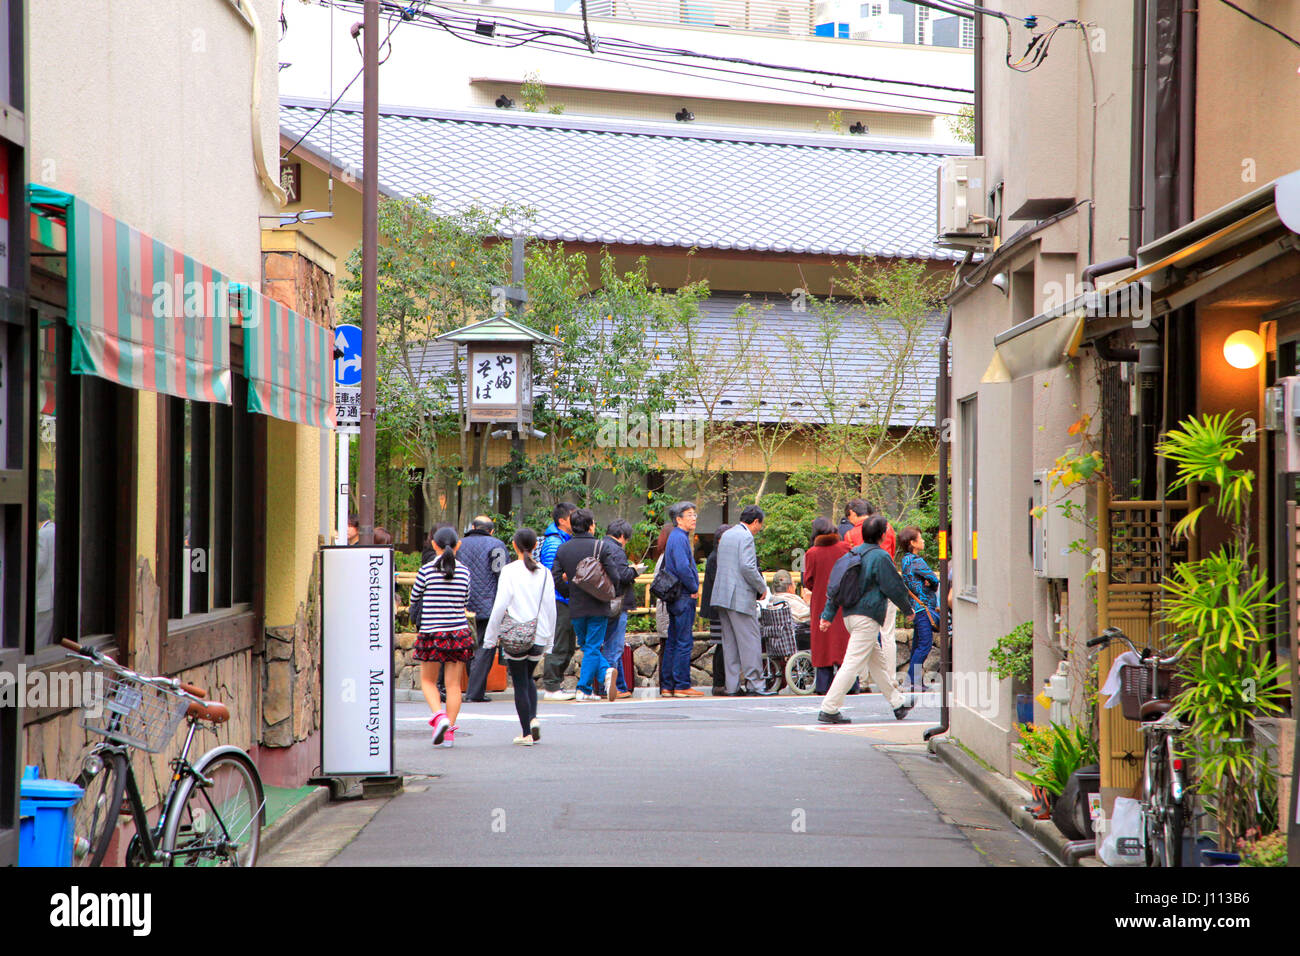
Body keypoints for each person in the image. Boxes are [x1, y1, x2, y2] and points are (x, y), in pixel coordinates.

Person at [817, 515, 914, 723]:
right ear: (882, 536)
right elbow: (894, 587)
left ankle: (897, 703)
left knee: (876, 661)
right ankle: (829, 708)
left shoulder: (851, 554)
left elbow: (835, 588)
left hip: (849, 616)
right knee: (852, 663)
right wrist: (908, 609)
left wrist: (827, 615)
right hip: (867, 617)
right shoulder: (880, 557)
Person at [482, 527, 556, 746]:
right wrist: (550, 640)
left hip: (515, 635)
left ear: (514, 545)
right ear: (535, 545)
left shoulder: (510, 570)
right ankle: (533, 719)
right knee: (528, 677)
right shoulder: (545, 572)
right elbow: (551, 608)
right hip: (539, 634)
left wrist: (490, 637)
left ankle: (526, 733)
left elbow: (500, 606)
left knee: (521, 683)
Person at [409, 526, 474, 746]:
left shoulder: (426, 570)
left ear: (434, 544)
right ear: (458, 545)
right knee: (453, 685)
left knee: (428, 681)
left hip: (431, 633)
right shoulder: (464, 571)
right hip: (457, 633)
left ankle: (439, 716)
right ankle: (449, 733)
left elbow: (414, 598)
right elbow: (466, 601)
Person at [553, 508, 624, 701]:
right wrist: (609, 591)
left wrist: (570, 593)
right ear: (591, 525)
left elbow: (556, 578)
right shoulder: (601, 547)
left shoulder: (563, 548)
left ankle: (605, 674)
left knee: (587, 646)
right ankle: (583, 689)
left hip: (575, 606)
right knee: (592, 646)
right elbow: (615, 576)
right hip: (598, 605)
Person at [711, 504, 774, 697]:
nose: (759, 530)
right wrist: (762, 587)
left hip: (722, 595)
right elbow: (747, 567)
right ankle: (755, 684)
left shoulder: (728, 534)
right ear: (755, 522)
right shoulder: (746, 536)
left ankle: (732, 686)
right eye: (759, 525)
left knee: (729, 642)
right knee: (750, 641)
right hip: (739, 596)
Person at [459, 516, 510, 703]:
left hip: (462, 604)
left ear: (472, 527)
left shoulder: (459, 544)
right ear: (492, 531)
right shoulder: (497, 545)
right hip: (489, 605)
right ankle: (474, 692)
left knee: (468, 645)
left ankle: (474, 689)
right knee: (486, 646)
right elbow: (502, 574)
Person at [844, 500, 899, 675]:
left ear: (853, 513)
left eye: (849, 516)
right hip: (888, 584)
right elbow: (891, 553)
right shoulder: (888, 528)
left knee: (864, 633)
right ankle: (890, 677)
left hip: (863, 589)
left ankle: (864, 678)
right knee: (888, 634)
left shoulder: (851, 534)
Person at [803, 517, 852, 695]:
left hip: (821, 603)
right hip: (844, 601)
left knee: (823, 644)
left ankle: (823, 685)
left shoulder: (812, 553)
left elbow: (808, 582)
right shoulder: (845, 548)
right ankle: (850, 685)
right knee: (843, 642)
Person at [660, 501, 702, 697]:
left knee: (673, 640)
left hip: (676, 595)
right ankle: (681, 684)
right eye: (689, 514)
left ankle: (668, 685)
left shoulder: (677, 537)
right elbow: (683, 567)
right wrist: (694, 587)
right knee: (683, 641)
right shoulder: (679, 538)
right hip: (683, 595)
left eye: (694, 514)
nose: (694, 518)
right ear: (678, 519)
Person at [599, 518, 642, 700]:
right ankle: (608, 687)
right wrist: (635, 571)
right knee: (614, 647)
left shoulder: (600, 545)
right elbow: (622, 575)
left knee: (611, 644)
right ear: (622, 536)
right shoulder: (616, 550)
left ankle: (621, 686)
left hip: (603, 602)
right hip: (617, 602)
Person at [538, 503, 577, 701]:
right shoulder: (554, 542)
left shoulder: (565, 538)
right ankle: (552, 686)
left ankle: (556, 684)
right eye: (573, 516)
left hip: (564, 599)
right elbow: (552, 576)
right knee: (559, 644)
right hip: (557, 600)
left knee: (568, 644)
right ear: (562, 520)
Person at [898, 526, 940, 692]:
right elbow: (933, 579)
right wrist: (931, 584)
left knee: (917, 645)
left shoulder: (905, 560)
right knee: (924, 645)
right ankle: (913, 682)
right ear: (913, 543)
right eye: (920, 538)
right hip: (923, 608)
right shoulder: (917, 561)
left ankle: (911, 680)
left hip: (915, 609)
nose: (923, 541)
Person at [700, 523, 731, 694]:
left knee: (723, 645)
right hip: (717, 608)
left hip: (718, 606)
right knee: (721, 645)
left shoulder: (719, 555)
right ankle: (718, 683)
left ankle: (722, 682)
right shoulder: (715, 557)